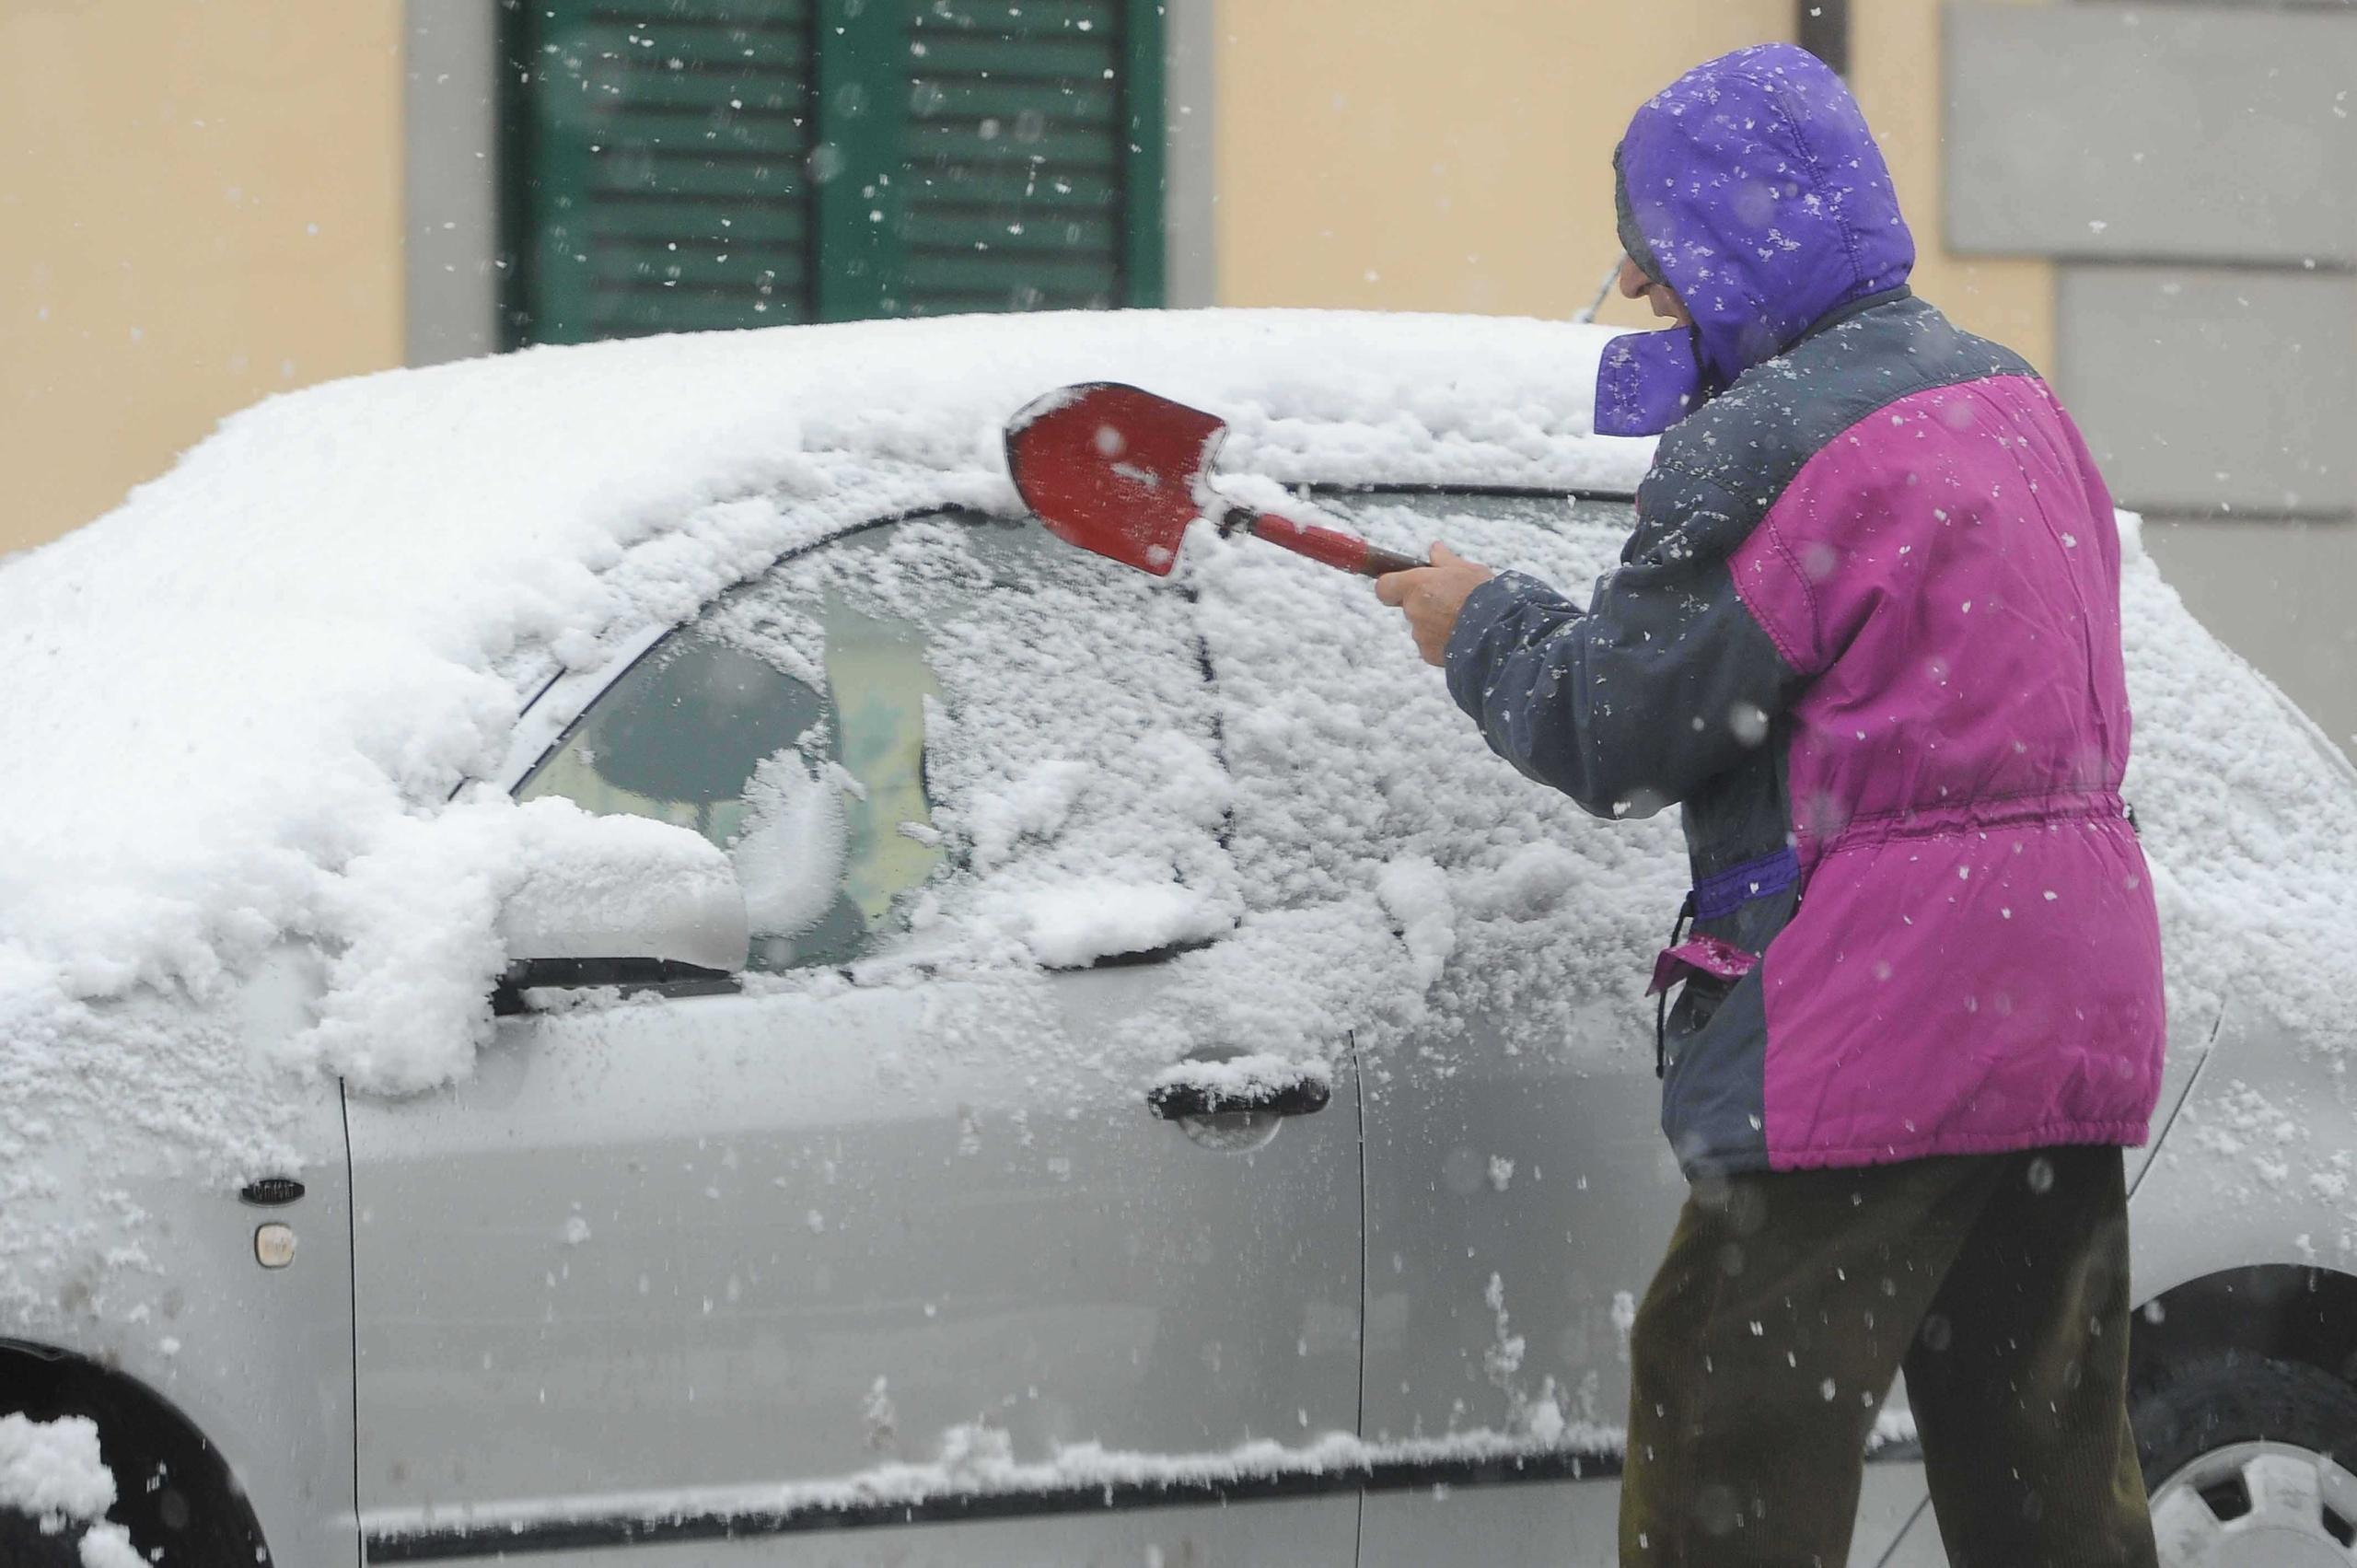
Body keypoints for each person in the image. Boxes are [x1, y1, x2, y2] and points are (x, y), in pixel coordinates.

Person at [1376, 42, 2166, 1568]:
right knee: (2043, 1457)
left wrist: (1476, 625)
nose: (1631, 280)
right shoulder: (2007, 397)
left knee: (1724, 1410)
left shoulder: (1766, 440)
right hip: (2068, 988)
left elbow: (1623, 724)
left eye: (1652, 254)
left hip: (1885, 1003)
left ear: (1727, 248)